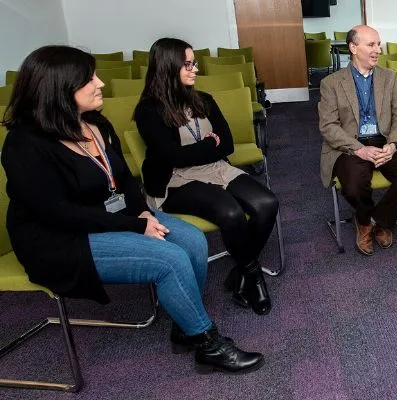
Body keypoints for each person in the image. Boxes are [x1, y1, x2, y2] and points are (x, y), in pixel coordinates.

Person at [1, 45, 263, 374]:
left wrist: (141, 212)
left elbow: (124, 179)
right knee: (170, 258)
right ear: (58, 89)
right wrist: (134, 225)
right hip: (62, 238)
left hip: (118, 215)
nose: (101, 84)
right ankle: (206, 342)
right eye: (89, 79)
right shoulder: (25, 144)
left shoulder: (94, 123)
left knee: (193, 241)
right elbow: (57, 213)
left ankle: (185, 325)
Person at [134, 38, 278, 315]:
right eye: (187, 64)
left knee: (267, 203)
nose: (194, 69)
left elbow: (228, 145)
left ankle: (241, 273)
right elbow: (174, 158)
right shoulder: (148, 110)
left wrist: (206, 148)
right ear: (167, 67)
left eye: (194, 62)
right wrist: (207, 145)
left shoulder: (205, 100)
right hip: (175, 180)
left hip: (216, 168)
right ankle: (254, 278)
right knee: (232, 213)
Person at [318, 25, 397, 256]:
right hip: (349, 144)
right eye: (371, 45)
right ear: (353, 48)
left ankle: (379, 221)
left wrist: (393, 144)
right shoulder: (331, 83)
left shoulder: (390, 77)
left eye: (379, 44)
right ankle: (363, 221)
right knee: (355, 185)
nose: (378, 49)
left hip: (384, 139)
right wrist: (359, 150)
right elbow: (328, 126)